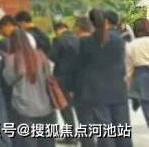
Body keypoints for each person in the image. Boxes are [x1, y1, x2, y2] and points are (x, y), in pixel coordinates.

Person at [75, 9, 132, 147]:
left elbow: (81, 68)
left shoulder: (86, 42)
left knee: (105, 132)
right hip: (118, 89)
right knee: (122, 128)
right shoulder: (119, 39)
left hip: (96, 93)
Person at [3, 29, 55, 147]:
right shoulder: (41, 55)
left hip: (23, 107)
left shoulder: (12, 59)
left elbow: (8, 79)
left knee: (27, 142)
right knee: (46, 142)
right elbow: (49, 76)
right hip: (45, 105)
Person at [49, 21, 80, 138]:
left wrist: (61, 62)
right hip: (77, 77)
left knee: (65, 107)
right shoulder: (78, 38)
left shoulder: (58, 40)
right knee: (80, 106)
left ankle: (71, 134)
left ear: (57, 30)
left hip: (62, 77)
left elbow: (52, 55)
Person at [126, 18, 149, 128]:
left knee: (146, 104)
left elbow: (129, 67)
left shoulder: (132, 45)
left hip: (141, 76)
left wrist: (128, 83)